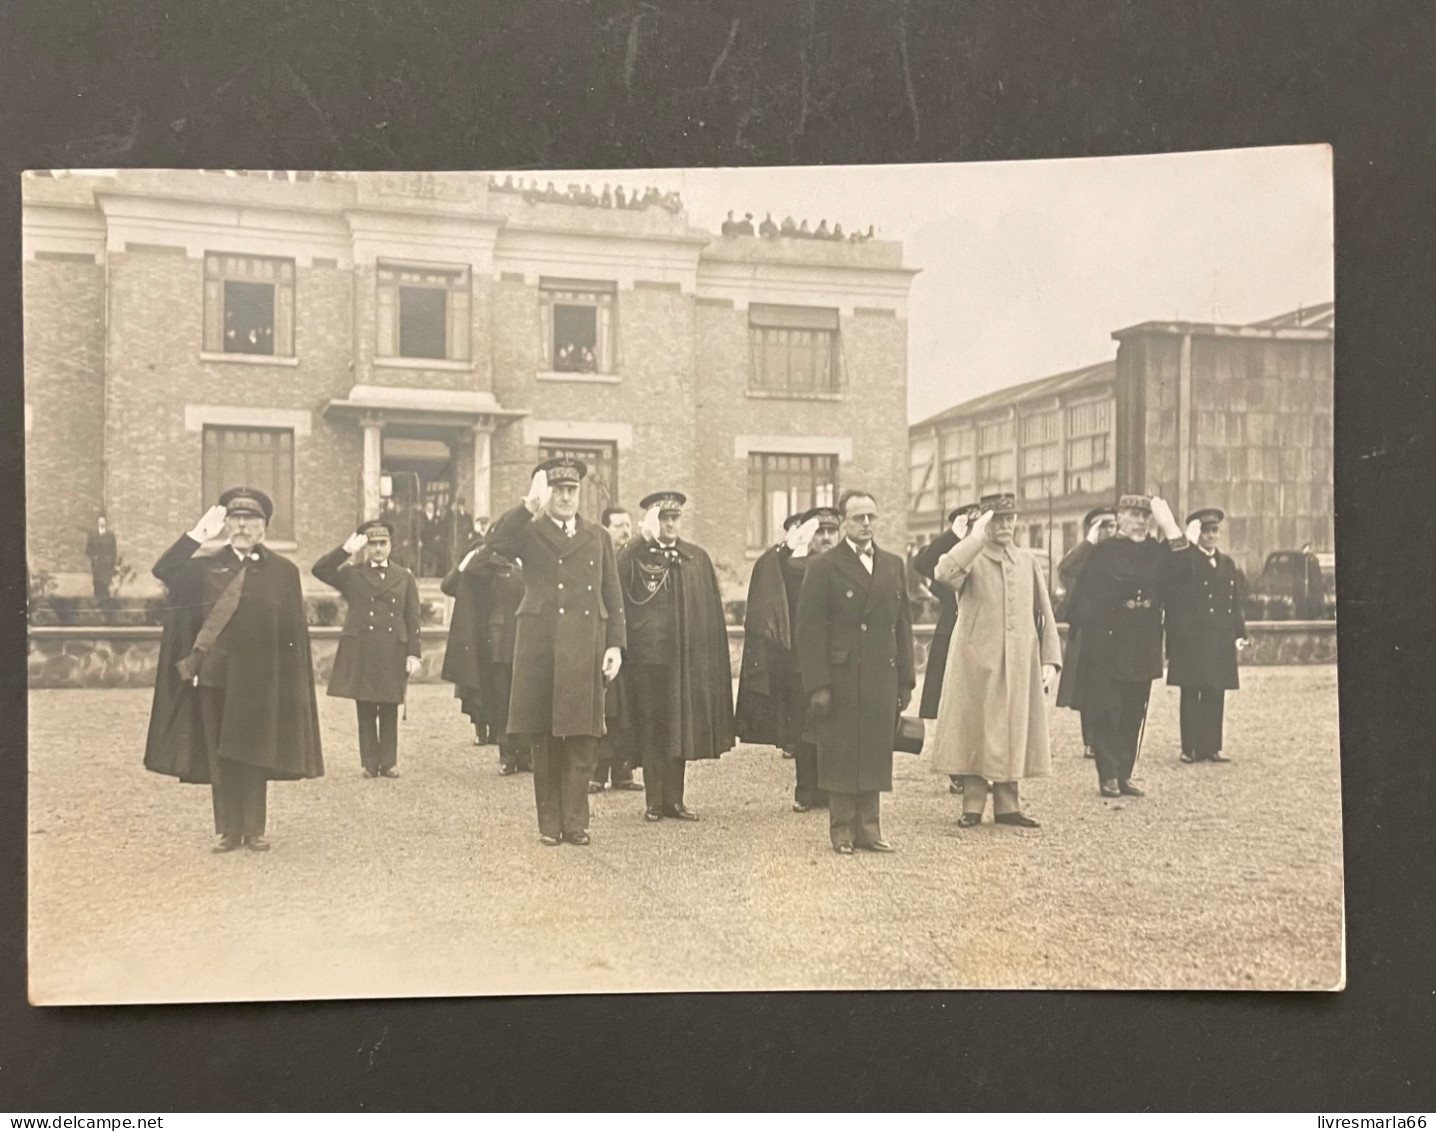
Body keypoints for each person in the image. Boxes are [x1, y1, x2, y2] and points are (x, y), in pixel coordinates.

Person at [144, 488, 324, 852]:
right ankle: (229, 830)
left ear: (263, 527)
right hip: (215, 675)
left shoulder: (283, 572)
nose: (242, 525)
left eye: (251, 520)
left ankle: (254, 829)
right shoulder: (204, 566)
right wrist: (196, 535)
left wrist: (290, 683)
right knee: (220, 752)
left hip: (262, 680)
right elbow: (164, 570)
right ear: (225, 524)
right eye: (236, 518)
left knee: (255, 753)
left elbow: (292, 632)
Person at [486, 458, 625, 846]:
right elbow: (493, 543)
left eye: (572, 490)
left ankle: (576, 823)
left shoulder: (598, 536)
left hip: (586, 645)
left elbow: (611, 594)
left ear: (579, 493)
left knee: (582, 737)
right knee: (545, 739)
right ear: (547, 493)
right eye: (558, 490)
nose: (565, 497)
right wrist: (527, 505)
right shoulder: (528, 532)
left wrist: (615, 643)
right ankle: (550, 824)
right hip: (541, 648)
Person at [929, 494, 1062, 828]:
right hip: (976, 659)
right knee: (977, 728)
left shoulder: (1027, 560)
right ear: (983, 522)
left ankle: (1008, 807)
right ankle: (972, 806)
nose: (1004, 526)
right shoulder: (972, 557)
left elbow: (1044, 613)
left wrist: (1051, 659)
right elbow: (944, 573)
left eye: (1009, 519)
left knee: (1013, 728)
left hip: (1019, 660)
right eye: (997, 520)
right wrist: (974, 537)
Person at [796, 490, 916, 854]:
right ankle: (843, 829)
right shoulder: (823, 566)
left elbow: (903, 626)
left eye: (871, 517)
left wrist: (906, 679)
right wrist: (818, 683)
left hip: (882, 672)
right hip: (841, 675)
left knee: (877, 751)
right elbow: (809, 630)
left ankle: (870, 828)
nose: (866, 524)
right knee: (841, 752)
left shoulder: (893, 565)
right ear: (844, 522)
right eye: (858, 517)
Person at [618, 491, 735, 822]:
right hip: (649, 659)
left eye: (674, 518)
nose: (669, 524)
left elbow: (707, 610)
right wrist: (640, 539)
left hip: (685, 660)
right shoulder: (637, 556)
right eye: (662, 518)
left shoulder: (694, 557)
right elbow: (614, 574)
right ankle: (653, 801)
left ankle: (675, 800)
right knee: (653, 727)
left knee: (678, 727)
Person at [1065, 493, 1190, 798]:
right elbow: (1079, 593)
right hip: (1108, 641)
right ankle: (1107, 775)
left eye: (1146, 517)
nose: (1140, 522)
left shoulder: (1156, 552)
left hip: (1143, 639)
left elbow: (1186, 575)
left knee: (1135, 710)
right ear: (1119, 518)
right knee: (1109, 709)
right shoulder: (1104, 551)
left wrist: (1171, 526)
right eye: (1134, 515)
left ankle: (1124, 774)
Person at [737, 507, 840, 812]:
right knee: (805, 726)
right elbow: (771, 571)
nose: (825, 538)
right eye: (818, 532)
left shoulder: (847, 564)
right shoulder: (794, 567)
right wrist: (788, 545)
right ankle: (806, 791)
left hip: (840, 658)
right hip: (802, 659)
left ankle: (833, 790)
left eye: (830, 531)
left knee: (836, 726)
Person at [312, 521, 423, 779]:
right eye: (372, 544)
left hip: (392, 648)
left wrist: (413, 654)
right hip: (363, 647)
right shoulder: (353, 574)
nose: (378, 549)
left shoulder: (404, 576)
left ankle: (389, 762)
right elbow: (320, 569)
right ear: (366, 547)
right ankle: (370, 763)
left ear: (390, 546)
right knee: (365, 707)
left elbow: (412, 617)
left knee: (388, 706)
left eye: (383, 544)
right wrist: (346, 550)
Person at [1165, 507, 1249, 763]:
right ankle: (1189, 748)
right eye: (1206, 531)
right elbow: (1176, 587)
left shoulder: (1227, 564)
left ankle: (1212, 746)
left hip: (1219, 636)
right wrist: (1188, 546)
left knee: (1215, 690)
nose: (1211, 536)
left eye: (1215, 531)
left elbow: (1233, 602)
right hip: (1191, 637)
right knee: (1191, 691)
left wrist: (1239, 632)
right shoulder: (1187, 560)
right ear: (1197, 533)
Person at [441, 540, 530, 773]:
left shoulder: (525, 563)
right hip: (498, 642)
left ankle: (527, 755)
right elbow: (451, 586)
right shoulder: (487, 567)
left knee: (526, 699)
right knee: (503, 700)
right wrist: (472, 556)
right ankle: (508, 756)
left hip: (526, 639)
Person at [911, 503, 980, 793]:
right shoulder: (949, 560)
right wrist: (952, 536)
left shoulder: (985, 555)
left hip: (980, 635)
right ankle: (957, 771)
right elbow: (923, 564)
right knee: (952, 705)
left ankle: (978, 768)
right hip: (951, 632)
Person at [1055, 506, 1117, 758]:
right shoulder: (1086, 555)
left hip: (1116, 629)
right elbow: (1065, 569)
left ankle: (1111, 738)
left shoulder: (1121, 552)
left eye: (1112, 525)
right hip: (1088, 628)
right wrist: (1089, 542)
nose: (1109, 530)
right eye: (1103, 526)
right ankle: (1090, 740)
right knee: (1088, 687)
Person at [591, 506, 643, 794]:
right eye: (619, 525)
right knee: (607, 708)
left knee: (626, 710)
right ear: (605, 529)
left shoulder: (634, 558)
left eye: (629, 525)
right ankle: (597, 773)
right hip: (606, 640)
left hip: (632, 642)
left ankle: (622, 772)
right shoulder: (604, 557)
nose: (626, 530)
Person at [85, 513, 118, 600]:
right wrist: (93, 557)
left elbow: (114, 550)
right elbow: (88, 549)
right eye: (100, 521)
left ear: (106, 522)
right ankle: (97, 601)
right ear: (97, 522)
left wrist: (112, 562)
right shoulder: (92, 534)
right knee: (97, 584)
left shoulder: (110, 535)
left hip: (107, 564)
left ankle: (105, 602)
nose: (102, 523)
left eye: (103, 521)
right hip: (97, 564)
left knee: (106, 583)